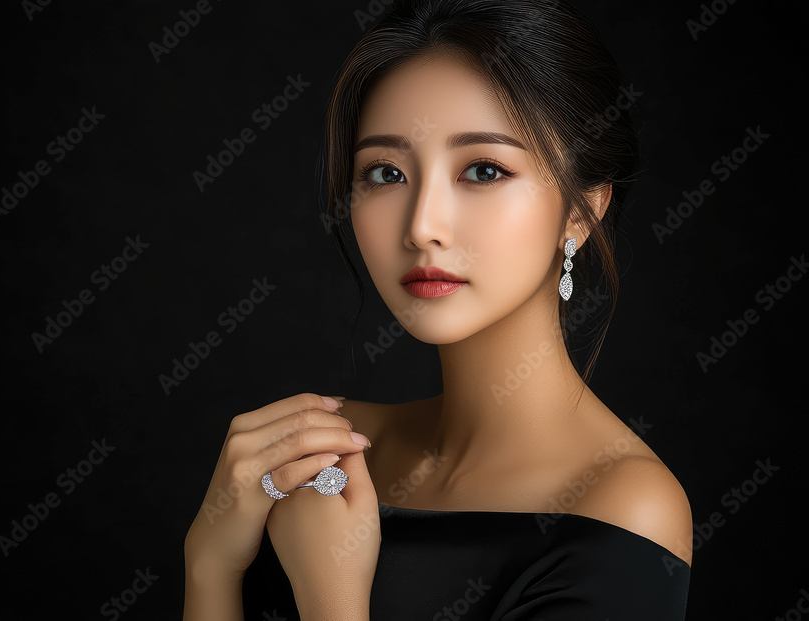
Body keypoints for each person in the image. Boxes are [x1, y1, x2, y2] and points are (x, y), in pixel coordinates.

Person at [184, 0, 693, 618]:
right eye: (385, 173)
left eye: (482, 169)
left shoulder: (624, 505)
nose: (422, 226)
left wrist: (333, 598)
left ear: (582, 211)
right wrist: (210, 563)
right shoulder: (316, 450)